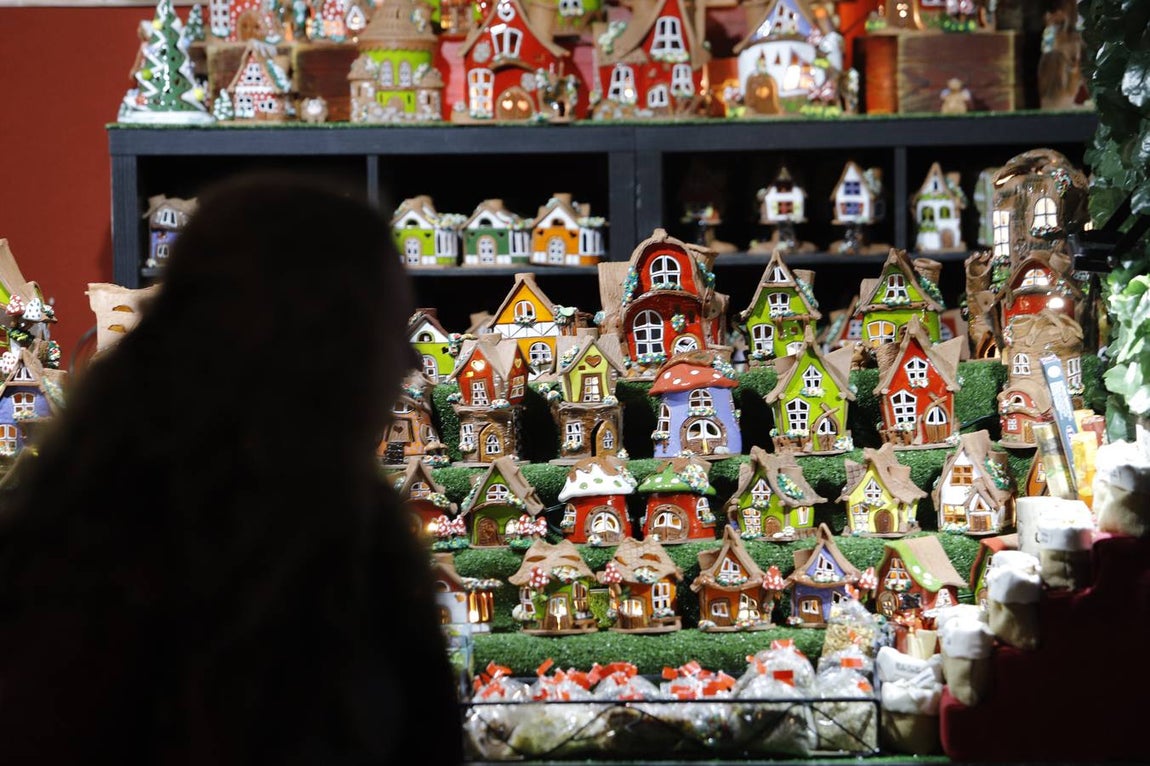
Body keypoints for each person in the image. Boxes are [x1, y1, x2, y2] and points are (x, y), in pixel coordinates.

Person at [0, 172, 464, 765]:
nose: (406, 359)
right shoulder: (349, 547)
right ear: (313, 344)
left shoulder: (68, 522)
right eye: (380, 326)